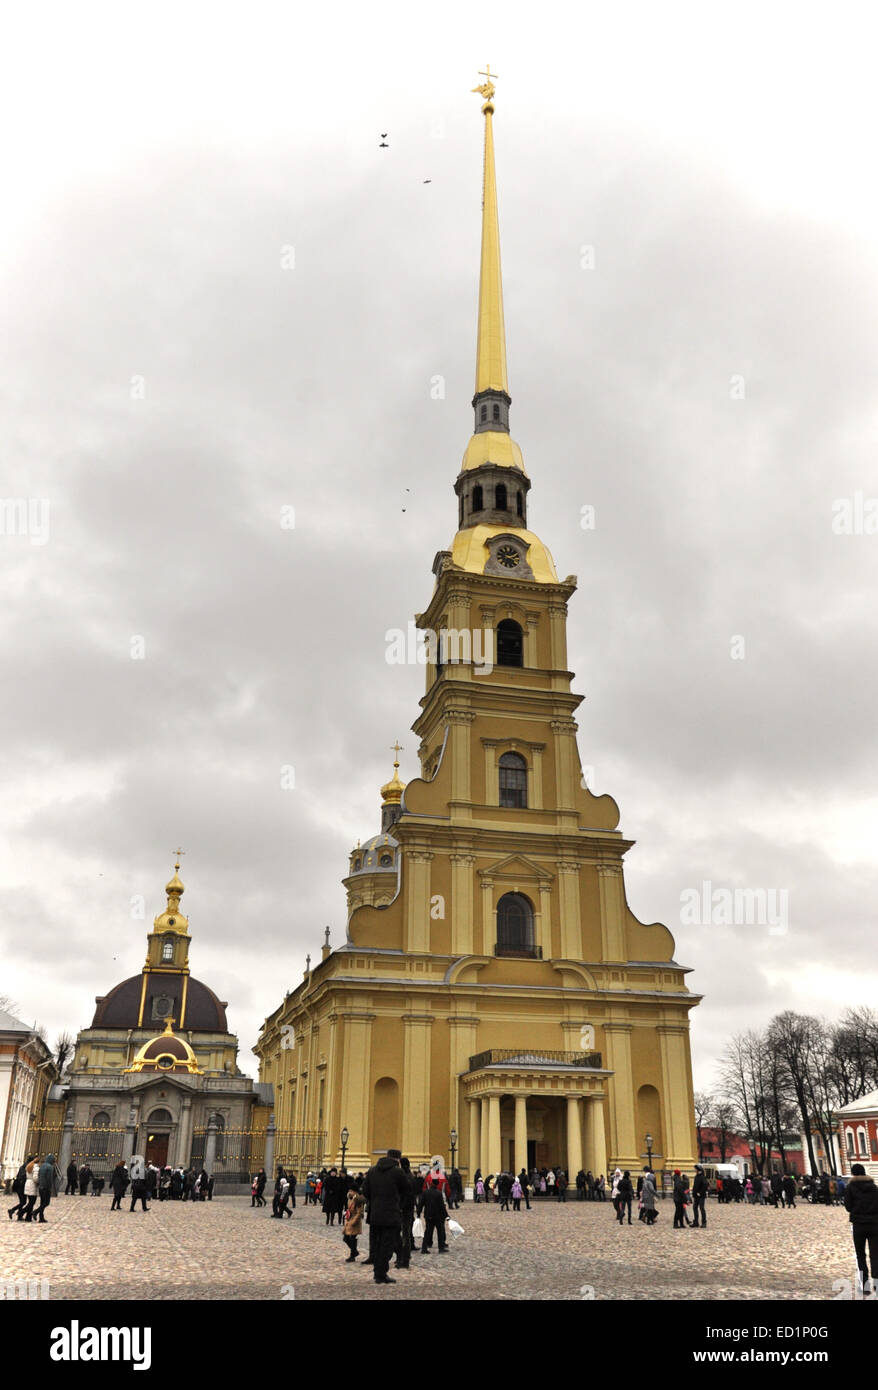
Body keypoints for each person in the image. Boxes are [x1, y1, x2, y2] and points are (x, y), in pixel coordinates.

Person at [362, 1147, 410, 1285]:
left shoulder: (372, 1171)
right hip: (391, 1215)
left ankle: (377, 1273)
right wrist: (398, 1203)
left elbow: (365, 1191)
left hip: (375, 1214)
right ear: (398, 1159)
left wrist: (375, 1201)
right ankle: (381, 1274)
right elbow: (407, 1189)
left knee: (376, 1245)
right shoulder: (397, 1172)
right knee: (387, 1246)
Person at [844, 1164, 878, 1296]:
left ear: (853, 1174)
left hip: (858, 1225)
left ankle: (865, 1286)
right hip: (875, 1224)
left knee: (860, 1255)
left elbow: (848, 1206)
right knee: (875, 1255)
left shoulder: (850, 1188)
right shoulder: (874, 1188)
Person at [395, 1156, 417, 1271]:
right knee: (406, 1234)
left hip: (403, 1209)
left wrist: (400, 1207)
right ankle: (405, 1257)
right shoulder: (411, 1176)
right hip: (408, 1208)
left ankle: (403, 1259)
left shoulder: (404, 1177)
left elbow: (404, 1195)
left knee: (402, 1235)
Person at [417, 1176, 449, 1254]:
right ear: (437, 1184)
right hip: (438, 1216)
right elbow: (442, 1206)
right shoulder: (438, 1193)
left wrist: (418, 1213)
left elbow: (421, 1204)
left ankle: (424, 1248)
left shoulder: (425, 1192)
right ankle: (441, 1247)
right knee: (440, 1232)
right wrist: (446, 1216)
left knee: (427, 1232)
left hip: (428, 1215)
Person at [8, 1156, 34, 1221]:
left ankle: (19, 1216)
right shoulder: (26, 1167)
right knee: (23, 1202)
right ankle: (12, 1210)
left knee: (22, 1202)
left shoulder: (24, 1166)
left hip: (21, 1186)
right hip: (21, 1186)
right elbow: (22, 1176)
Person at [343, 1189, 365, 1262]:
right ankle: (355, 1252)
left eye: (351, 1191)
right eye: (349, 1191)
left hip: (355, 1221)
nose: (350, 1192)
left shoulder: (358, 1200)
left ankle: (352, 1255)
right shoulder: (349, 1198)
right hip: (349, 1219)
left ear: (355, 1192)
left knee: (352, 1238)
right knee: (345, 1238)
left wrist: (354, 1221)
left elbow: (360, 1212)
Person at [35, 1154, 56, 1223]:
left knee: (42, 1203)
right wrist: (50, 1187)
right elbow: (49, 1178)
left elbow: (39, 1175)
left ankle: (41, 1217)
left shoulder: (42, 1165)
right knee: (46, 1202)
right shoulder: (50, 1167)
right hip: (46, 1187)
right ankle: (35, 1212)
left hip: (41, 1186)